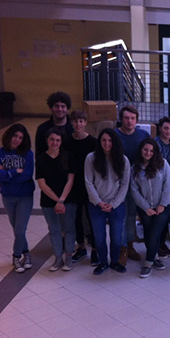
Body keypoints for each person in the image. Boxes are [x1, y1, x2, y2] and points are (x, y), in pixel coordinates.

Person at [84, 129, 130, 275]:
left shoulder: (123, 160)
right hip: (96, 205)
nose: (107, 143)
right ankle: (103, 262)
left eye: (110, 140)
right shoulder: (91, 158)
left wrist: (114, 204)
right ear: (100, 142)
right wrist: (98, 202)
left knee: (116, 238)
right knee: (99, 238)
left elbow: (124, 185)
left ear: (115, 142)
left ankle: (115, 262)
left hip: (116, 205)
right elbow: (88, 182)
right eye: (104, 140)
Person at [0, 124, 35, 273]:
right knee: (18, 230)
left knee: (19, 229)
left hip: (25, 196)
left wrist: (7, 174)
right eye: (15, 136)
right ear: (9, 136)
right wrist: (15, 171)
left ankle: (16, 257)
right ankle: (27, 254)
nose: (17, 140)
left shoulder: (28, 154)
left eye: (21, 138)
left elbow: (27, 175)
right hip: (8, 196)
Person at [130, 139, 170, 278]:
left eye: (151, 150)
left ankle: (147, 264)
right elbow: (134, 190)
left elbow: (169, 185)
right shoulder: (135, 168)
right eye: (145, 150)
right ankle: (154, 257)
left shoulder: (163, 164)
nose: (148, 153)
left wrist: (162, 204)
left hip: (163, 206)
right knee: (148, 233)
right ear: (140, 151)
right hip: (145, 208)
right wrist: (146, 207)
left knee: (155, 233)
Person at [36, 128, 77, 272]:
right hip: (48, 202)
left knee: (69, 229)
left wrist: (62, 200)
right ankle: (58, 258)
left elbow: (70, 180)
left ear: (61, 142)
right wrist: (57, 201)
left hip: (68, 200)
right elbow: (42, 184)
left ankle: (69, 258)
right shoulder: (41, 159)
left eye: (58, 140)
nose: (54, 142)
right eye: (52, 139)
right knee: (54, 230)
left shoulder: (68, 157)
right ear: (47, 140)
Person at [115, 105, 150, 263]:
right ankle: (121, 248)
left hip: (136, 183)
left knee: (131, 216)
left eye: (133, 118)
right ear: (121, 119)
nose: (129, 121)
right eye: (126, 118)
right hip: (117, 184)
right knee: (119, 216)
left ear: (136, 119)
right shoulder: (114, 135)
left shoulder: (143, 135)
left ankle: (130, 245)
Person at [68, 110, 98, 266]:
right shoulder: (67, 141)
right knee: (76, 218)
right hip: (73, 186)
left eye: (81, 121)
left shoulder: (92, 142)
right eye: (75, 121)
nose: (78, 124)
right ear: (71, 123)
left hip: (89, 185)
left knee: (92, 217)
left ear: (86, 122)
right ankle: (80, 247)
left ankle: (94, 250)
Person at [155, 116, 170, 258]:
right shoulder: (154, 144)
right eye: (166, 128)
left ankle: (162, 244)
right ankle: (154, 246)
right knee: (156, 218)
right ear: (160, 128)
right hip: (156, 186)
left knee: (165, 217)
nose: (168, 131)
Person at [35, 91, 74, 156]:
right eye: (56, 106)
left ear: (68, 109)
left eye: (63, 106)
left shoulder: (74, 129)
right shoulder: (42, 129)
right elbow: (39, 155)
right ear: (51, 108)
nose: (60, 109)